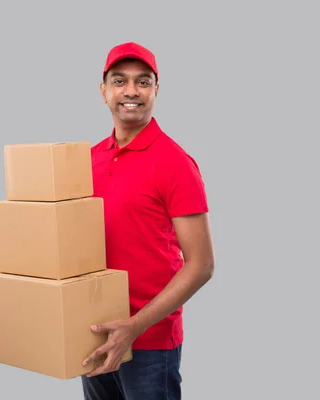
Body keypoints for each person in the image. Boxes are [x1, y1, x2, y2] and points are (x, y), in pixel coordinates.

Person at [81, 42, 215, 400]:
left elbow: (201, 265)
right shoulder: (88, 160)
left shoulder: (175, 163)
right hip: (94, 334)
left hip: (151, 343)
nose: (130, 91)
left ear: (156, 90)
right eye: (119, 80)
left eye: (143, 82)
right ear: (103, 91)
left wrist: (134, 326)